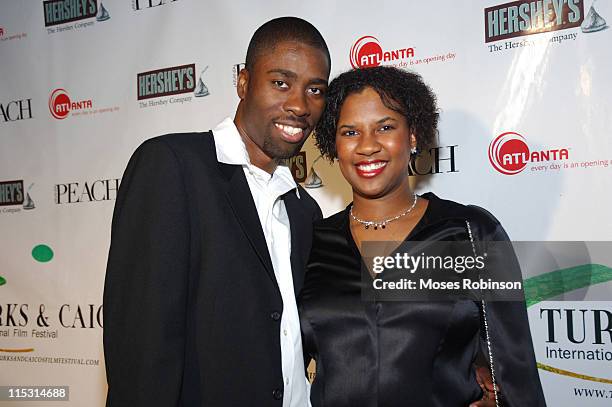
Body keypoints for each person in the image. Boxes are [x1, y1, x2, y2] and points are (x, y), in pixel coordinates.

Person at [103, 17, 330, 407]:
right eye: (281, 82)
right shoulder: (172, 166)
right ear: (243, 82)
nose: (299, 105)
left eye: (315, 89)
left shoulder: (303, 209)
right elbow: (141, 342)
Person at [298, 66, 546, 406]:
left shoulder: (470, 232)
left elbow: (514, 370)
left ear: (413, 135)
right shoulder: (310, 241)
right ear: (334, 144)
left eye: (385, 127)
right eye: (350, 132)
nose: (367, 146)